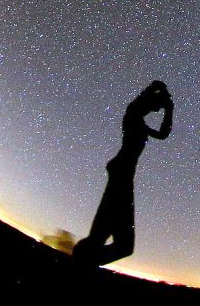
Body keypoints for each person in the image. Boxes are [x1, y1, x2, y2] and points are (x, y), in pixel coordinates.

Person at [72, 80, 174, 267]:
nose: (155, 110)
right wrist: (156, 90)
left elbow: (163, 134)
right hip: (121, 175)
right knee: (118, 243)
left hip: (124, 175)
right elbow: (142, 102)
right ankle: (82, 261)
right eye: (155, 107)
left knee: (116, 242)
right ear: (148, 101)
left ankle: (83, 260)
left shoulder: (140, 123)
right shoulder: (133, 113)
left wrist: (169, 110)